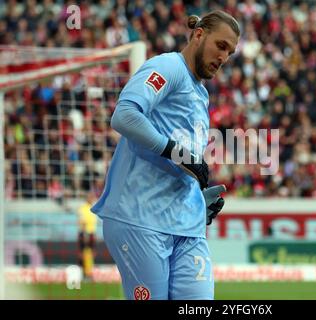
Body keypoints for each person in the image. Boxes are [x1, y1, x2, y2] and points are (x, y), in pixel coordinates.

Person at [91, 10, 240, 300]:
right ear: (199, 34)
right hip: (140, 218)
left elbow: (183, 159)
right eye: (220, 46)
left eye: (230, 52)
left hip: (185, 223)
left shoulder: (201, 94)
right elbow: (124, 116)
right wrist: (175, 152)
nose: (224, 57)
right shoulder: (168, 67)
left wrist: (197, 200)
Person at [77, 191, 98, 280]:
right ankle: (83, 273)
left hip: (92, 233)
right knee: (82, 254)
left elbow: (93, 223)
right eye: (90, 197)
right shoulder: (82, 209)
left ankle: (89, 273)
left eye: (92, 197)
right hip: (84, 233)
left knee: (91, 253)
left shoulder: (94, 208)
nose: (91, 199)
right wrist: (85, 233)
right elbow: (82, 222)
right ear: (87, 198)